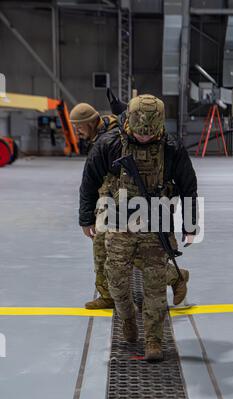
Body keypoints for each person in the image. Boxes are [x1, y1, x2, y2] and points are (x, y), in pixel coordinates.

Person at [79, 94, 198, 362]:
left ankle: (154, 339)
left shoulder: (171, 147)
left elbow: (189, 187)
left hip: (156, 224)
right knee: (117, 282)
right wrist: (86, 218)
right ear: (130, 123)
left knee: (155, 287)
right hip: (120, 223)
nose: (145, 138)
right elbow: (89, 182)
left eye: (150, 134)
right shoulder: (110, 144)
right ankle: (128, 318)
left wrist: (190, 225)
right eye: (140, 134)